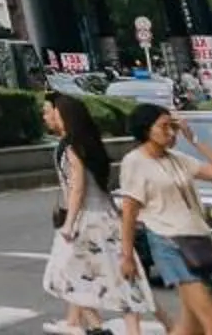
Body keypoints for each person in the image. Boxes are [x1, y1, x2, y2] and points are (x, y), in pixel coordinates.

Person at [117, 103, 212, 335]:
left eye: (173, 127)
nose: (171, 132)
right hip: (168, 242)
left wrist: (195, 140)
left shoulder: (177, 159)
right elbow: (129, 212)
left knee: (192, 326)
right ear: (146, 129)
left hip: (197, 241)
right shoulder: (134, 162)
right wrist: (127, 256)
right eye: (164, 127)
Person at [41, 91, 146, 335]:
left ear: (63, 115)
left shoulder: (70, 147)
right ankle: (96, 326)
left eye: (50, 112)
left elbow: (76, 188)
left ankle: (95, 327)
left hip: (85, 219)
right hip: (106, 217)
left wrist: (69, 223)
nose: (46, 117)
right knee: (114, 276)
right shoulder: (89, 143)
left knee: (66, 275)